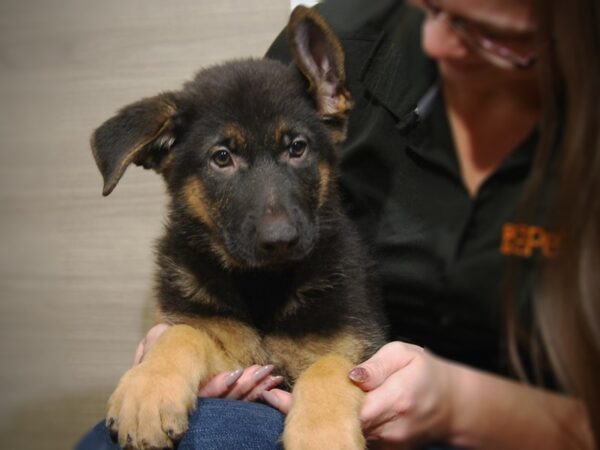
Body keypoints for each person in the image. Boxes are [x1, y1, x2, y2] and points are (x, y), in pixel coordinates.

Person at [77, 0, 598, 448]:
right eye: (433, 10)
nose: (437, 43)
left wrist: (465, 404)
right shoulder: (337, 38)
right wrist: (176, 353)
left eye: (296, 149)